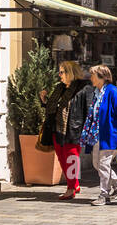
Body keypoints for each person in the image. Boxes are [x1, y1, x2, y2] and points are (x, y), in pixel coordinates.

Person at [39, 61, 92, 201]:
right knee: (62, 158)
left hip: (74, 128)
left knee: (71, 159)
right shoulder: (60, 88)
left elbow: (89, 109)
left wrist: (87, 129)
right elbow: (56, 107)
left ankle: (71, 188)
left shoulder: (84, 88)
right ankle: (74, 184)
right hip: (57, 128)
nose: (59, 75)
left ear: (70, 73)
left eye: (62, 72)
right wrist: (45, 101)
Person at [82, 64, 117, 206]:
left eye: (93, 75)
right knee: (97, 164)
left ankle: (104, 194)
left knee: (103, 165)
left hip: (110, 135)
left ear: (101, 77)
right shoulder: (97, 92)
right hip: (97, 135)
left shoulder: (113, 92)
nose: (90, 78)